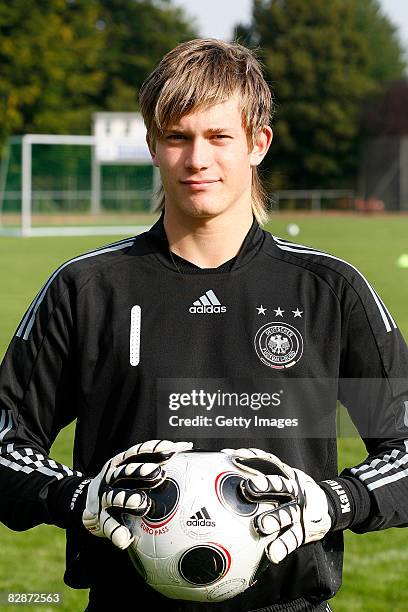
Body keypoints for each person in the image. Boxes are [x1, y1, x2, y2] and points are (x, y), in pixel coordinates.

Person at [0, 38, 407, 612]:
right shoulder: (86, 289)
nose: (197, 160)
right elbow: (6, 435)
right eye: (177, 137)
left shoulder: (330, 291)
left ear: (257, 144)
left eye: (219, 137)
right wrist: (76, 498)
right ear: (152, 146)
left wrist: (335, 500)